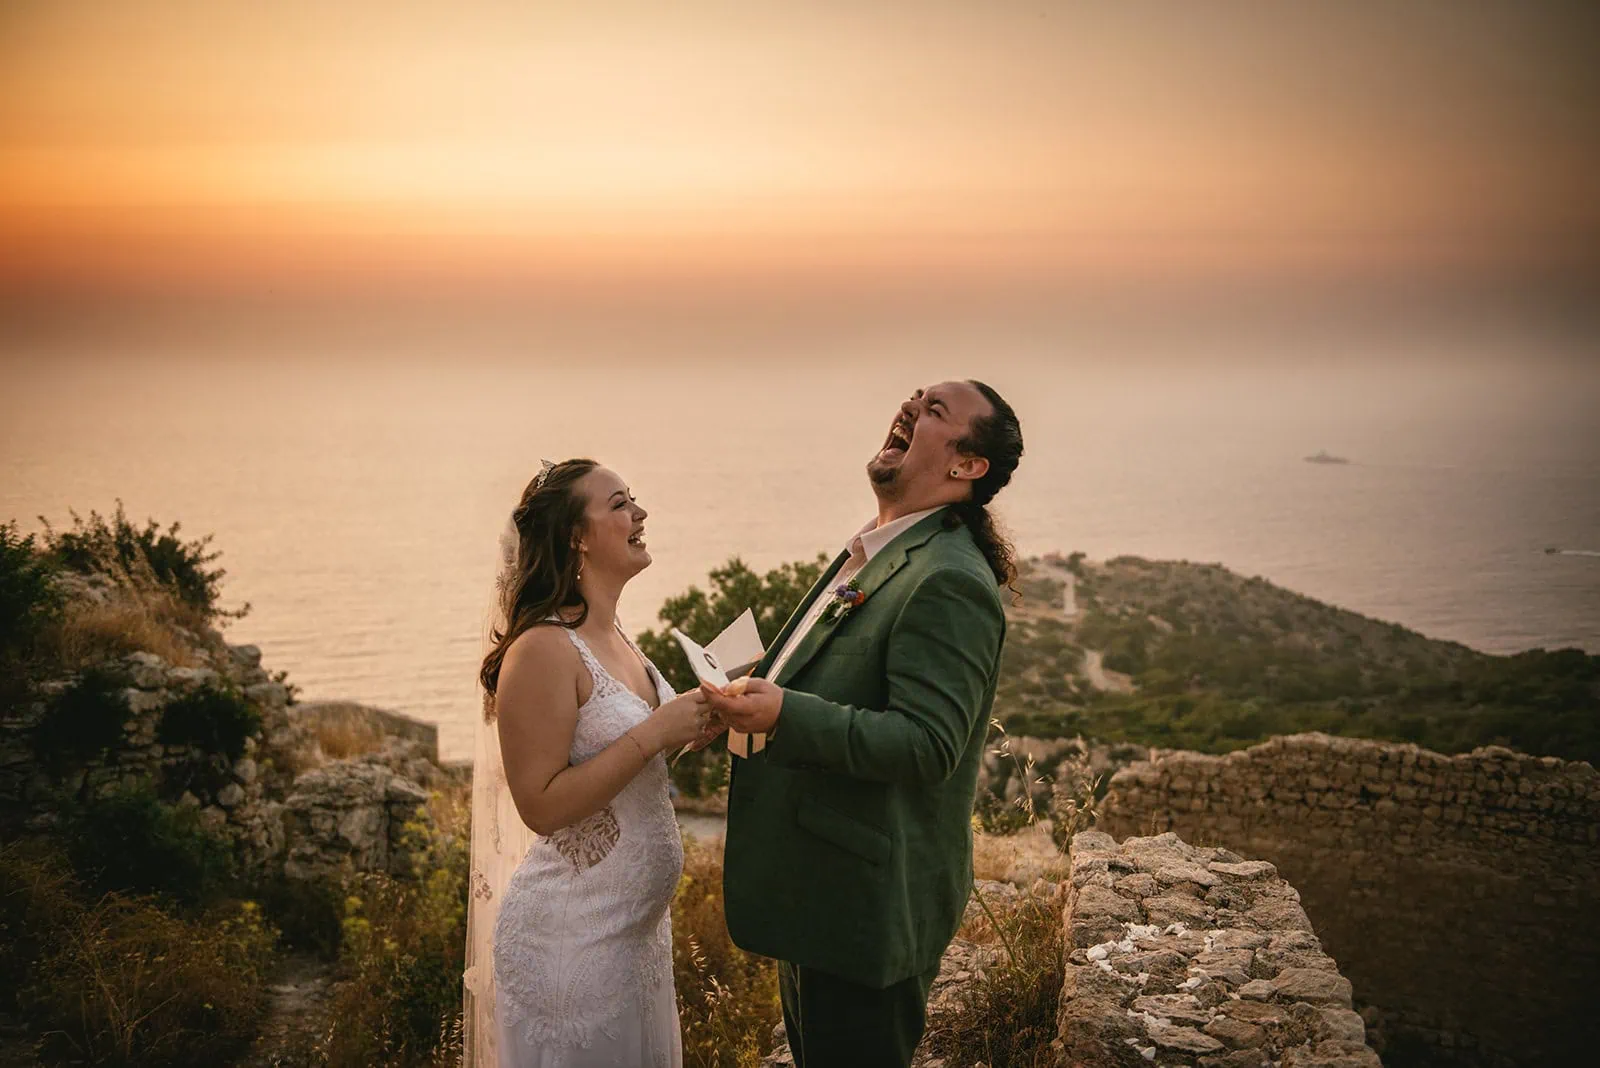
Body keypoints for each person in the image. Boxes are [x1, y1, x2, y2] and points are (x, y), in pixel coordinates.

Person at [701, 380, 1024, 1067]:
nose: (911, 407)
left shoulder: (948, 580)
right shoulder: (883, 551)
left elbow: (929, 744)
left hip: (866, 910)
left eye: (935, 410)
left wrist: (784, 711)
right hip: (821, 890)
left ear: (967, 466)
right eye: (916, 396)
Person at [464, 459, 715, 1068]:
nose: (640, 514)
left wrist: (695, 723)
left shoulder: (617, 634)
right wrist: (656, 731)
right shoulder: (543, 649)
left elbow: (623, 762)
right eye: (621, 504)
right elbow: (542, 806)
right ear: (577, 536)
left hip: (636, 940)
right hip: (571, 947)